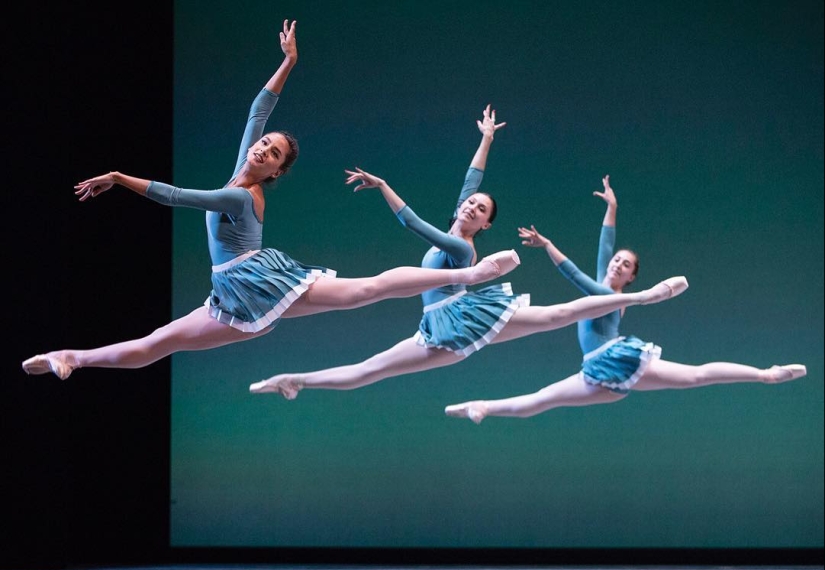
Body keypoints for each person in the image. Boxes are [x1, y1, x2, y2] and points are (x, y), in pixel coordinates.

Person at [21, 20, 520, 382]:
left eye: (273, 152)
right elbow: (258, 112)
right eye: (265, 144)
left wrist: (117, 177)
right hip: (231, 293)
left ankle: (469, 277)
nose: (263, 147)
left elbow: (177, 196)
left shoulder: (241, 195)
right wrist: (288, 63)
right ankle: (72, 355)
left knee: (366, 290)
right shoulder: (245, 163)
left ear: (276, 170)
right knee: (159, 342)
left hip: (260, 279)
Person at [249, 119, 688, 400]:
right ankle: (297, 379)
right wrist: (486, 138)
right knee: (370, 370)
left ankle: (647, 297)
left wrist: (384, 186)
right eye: (470, 205)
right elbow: (470, 180)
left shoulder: (460, 247)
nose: (471, 208)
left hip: (463, 316)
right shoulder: (457, 223)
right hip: (436, 329)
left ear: (484, 227)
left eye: (480, 211)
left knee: (557, 315)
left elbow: (417, 225)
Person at [445, 175, 807, 423]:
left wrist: (549, 246)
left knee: (694, 376)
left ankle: (766, 374)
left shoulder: (610, 296)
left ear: (631, 278)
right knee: (542, 399)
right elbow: (605, 245)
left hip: (615, 356)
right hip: (597, 370)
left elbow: (577, 276)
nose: (617, 263)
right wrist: (612, 208)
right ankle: (483, 407)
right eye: (618, 260)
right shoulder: (606, 281)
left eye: (626, 265)